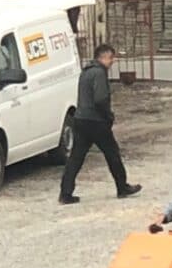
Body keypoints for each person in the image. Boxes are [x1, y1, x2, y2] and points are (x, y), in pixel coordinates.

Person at [59, 43, 141, 204]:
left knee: (76, 157)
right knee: (112, 154)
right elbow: (100, 99)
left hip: (81, 119)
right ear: (102, 57)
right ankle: (122, 187)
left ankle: (65, 193)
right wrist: (108, 116)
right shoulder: (99, 73)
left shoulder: (86, 72)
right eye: (111, 58)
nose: (112, 61)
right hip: (96, 121)